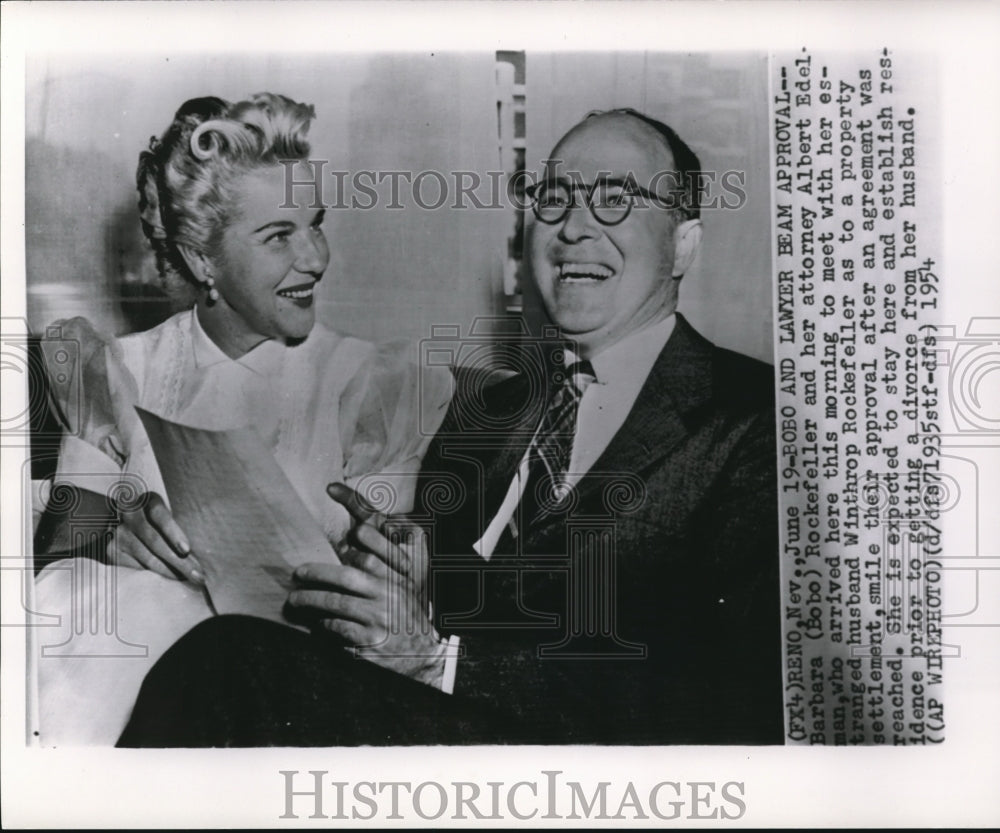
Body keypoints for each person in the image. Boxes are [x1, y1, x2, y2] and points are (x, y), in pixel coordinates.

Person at [117, 108, 783, 746]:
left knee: (228, 663)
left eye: (615, 199)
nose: (574, 227)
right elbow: (421, 604)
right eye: (553, 199)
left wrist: (442, 660)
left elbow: (742, 701)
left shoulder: (757, 421)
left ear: (682, 244)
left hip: (583, 779)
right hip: (427, 731)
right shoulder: (487, 416)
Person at [33, 93, 451, 745]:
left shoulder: (375, 386)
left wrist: (395, 565)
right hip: (118, 681)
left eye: (316, 223)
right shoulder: (114, 371)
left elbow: (385, 588)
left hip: (277, 700)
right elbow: (57, 566)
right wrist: (113, 537)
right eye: (279, 235)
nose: (315, 257)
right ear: (205, 260)